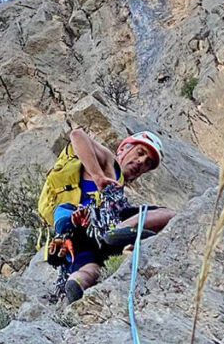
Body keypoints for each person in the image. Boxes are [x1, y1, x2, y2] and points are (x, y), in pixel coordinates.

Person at [44, 128, 175, 303]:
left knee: (91, 268)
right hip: (97, 222)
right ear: (123, 149)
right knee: (168, 214)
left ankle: (76, 283)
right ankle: (121, 231)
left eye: (147, 163)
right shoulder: (108, 163)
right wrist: (98, 176)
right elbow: (77, 135)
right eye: (140, 153)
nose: (141, 162)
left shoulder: (119, 187)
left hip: (81, 236)